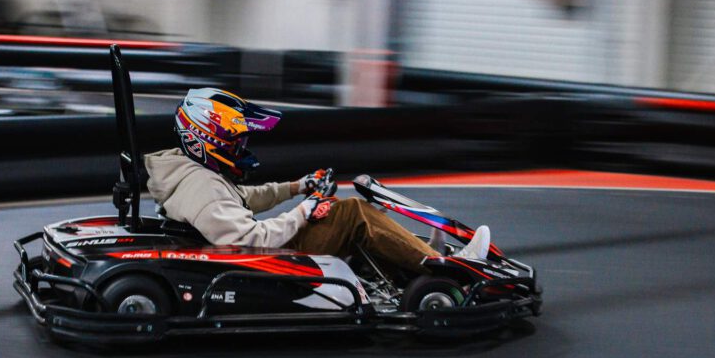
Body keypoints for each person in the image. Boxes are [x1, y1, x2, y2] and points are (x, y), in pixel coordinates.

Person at [144, 88, 491, 277]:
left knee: (340, 214)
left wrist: (296, 187)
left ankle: (419, 263)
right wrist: (305, 209)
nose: (241, 147)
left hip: (255, 250)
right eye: (235, 141)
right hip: (263, 263)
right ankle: (443, 269)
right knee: (353, 213)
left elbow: (241, 200)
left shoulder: (193, 173)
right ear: (208, 139)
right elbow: (253, 239)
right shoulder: (201, 186)